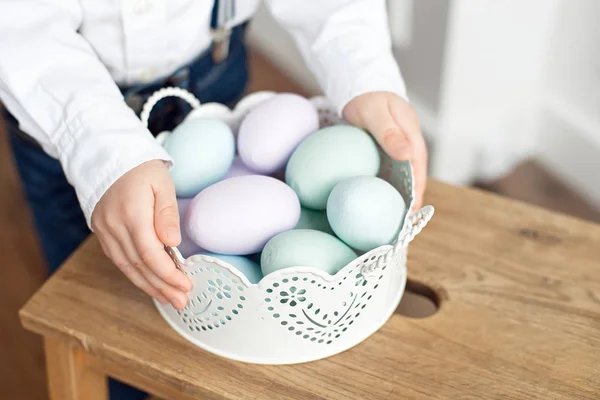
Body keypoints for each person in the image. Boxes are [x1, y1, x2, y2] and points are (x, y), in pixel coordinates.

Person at [0, 0, 427, 398]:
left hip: (210, 74)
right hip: (61, 110)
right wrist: (98, 149)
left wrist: (362, 69)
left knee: (212, 351)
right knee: (101, 309)